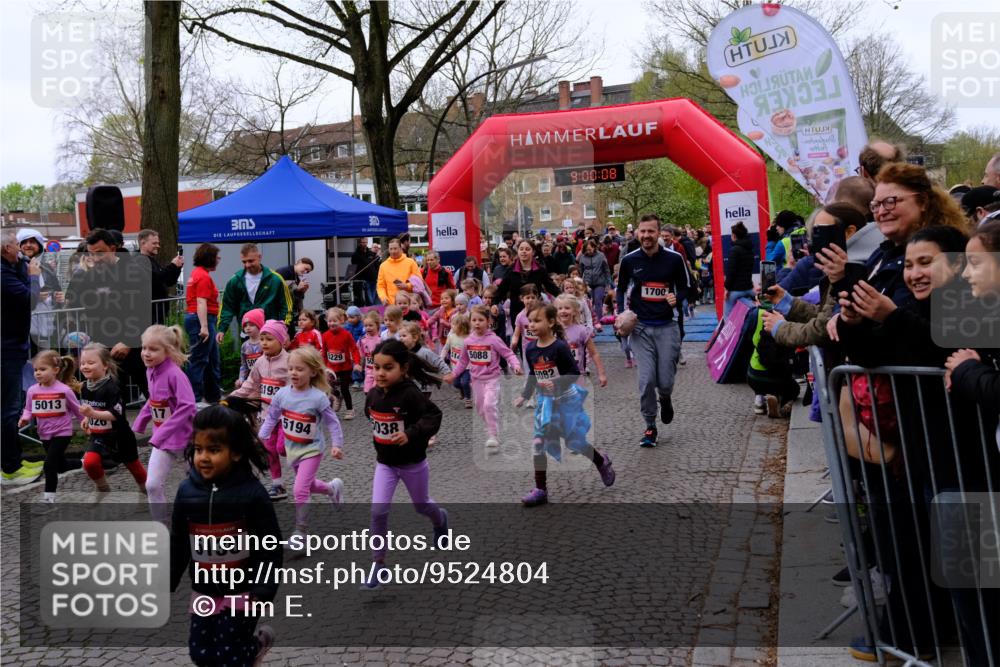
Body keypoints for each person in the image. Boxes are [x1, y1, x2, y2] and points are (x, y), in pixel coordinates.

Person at [170, 398, 280, 667]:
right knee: (201, 653)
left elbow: (270, 547)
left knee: (231, 655)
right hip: (204, 590)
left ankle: (252, 647)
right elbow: (179, 543)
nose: (203, 457)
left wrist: (262, 590)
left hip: (244, 591)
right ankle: (254, 646)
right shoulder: (187, 492)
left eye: (214, 450)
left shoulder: (252, 494)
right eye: (198, 449)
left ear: (236, 453)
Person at [361, 339, 448, 590]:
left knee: (422, 505)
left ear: (404, 368)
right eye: (376, 367)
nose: (380, 373)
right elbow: (371, 414)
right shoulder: (373, 395)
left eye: (388, 368)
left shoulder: (411, 393)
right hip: (386, 464)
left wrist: (411, 433)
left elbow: (433, 415)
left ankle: (439, 519)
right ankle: (378, 564)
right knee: (378, 512)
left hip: (412, 463)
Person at [514, 304, 615, 506]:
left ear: (551, 322)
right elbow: (534, 375)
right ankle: (540, 489)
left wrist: (557, 383)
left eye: (536, 320)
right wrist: (525, 395)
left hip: (565, 400)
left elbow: (573, 374)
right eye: (530, 321)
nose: (531, 325)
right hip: (545, 402)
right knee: (538, 443)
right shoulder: (530, 348)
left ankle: (601, 461)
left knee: (574, 443)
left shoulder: (560, 347)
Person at [616, 214, 690, 448]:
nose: (646, 236)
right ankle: (650, 426)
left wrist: (675, 298)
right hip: (641, 328)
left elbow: (688, 288)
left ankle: (665, 398)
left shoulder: (674, 259)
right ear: (637, 233)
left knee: (665, 381)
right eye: (642, 231)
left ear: (659, 234)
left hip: (667, 326)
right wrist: (621, 314)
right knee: (647, 380)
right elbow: (619, 290)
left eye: (651, 231)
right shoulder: (629, 260)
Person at [258, 347, 344, 546]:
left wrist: (337, 445)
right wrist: (261, 437)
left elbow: (332, 422)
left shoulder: (318, 397)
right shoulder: (282, 395)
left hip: (312, 450)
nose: (294, 373)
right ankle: (332, 488)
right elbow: (271, 417)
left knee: (300, 489)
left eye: (299, 369)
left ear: (313, 372)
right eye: (291, 369)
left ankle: (301, 532)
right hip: (292, 449)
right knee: (309, 485)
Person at [66, 228, 153, 400]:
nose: (96, 259)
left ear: (113, 248)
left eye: (100, 253)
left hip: (134, 346)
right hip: (103, 346)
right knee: (109, 402)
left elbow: (142, 310)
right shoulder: (89, 274)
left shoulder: (133, 271)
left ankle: (172, 426)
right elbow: (75, 300)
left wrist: (128, 341)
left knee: (155, 396)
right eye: (91, 254)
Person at [132, 325, 196, 524]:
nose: (146, 353)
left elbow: (188, 406)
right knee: (152, 485)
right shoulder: (150, 370)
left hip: (187, 440)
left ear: (168, 351)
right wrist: (139, 423)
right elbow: (154, 399)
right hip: (164, 442)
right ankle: (161, 526)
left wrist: (160, 433)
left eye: (153, 349)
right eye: (144, 348)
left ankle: (206, 520)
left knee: (200, 482)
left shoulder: (175, 374)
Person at [443, 305, 523, 451]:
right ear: (470, 322)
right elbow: (462, 362)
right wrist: (453, 374)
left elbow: (508, 354)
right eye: (474, 320)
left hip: (492, 378)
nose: (477, 323)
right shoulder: (468, 341)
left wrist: (515, 365)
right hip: (476, 380)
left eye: (481, 320)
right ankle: (491, 426)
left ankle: (493, 435)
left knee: (489, 405)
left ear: (488, 321)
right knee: (480, 408)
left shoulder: (494, 340)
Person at [231, 320, 291, 501]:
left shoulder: (289, 361)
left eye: (269, 339)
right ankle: (278, 485)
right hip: (267, 415)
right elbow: (250, 384)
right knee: (269, 449)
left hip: (286, 415)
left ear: (281, 341)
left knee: (281, 448)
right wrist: (232, 398)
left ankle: (301, 455)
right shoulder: (259, 363)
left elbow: (296, 386)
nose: (264, 343)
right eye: (262, 339)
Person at [2, 229, 43, 485]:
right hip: (6, 349)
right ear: (7, 249)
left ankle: (13, 460)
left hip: (12, 345)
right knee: (8, 410)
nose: (21, 249)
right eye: (17, 245)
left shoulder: (9, 267)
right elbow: (31, 300)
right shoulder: (2, 275)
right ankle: (10, 468)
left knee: (9, 407)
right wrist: (34, 277)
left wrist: (23, 265)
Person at [79, 343, 147, 494]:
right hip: (99, 436)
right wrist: (86, 419)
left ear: (105, 366)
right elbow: (91, 408)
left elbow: (115, 414)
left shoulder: (113, 387)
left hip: (120, 435)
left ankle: (147, 490)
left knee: (133, 466)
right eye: (82, 363)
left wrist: (92, 414)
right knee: (89, 463)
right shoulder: (85, 387)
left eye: (90, 363)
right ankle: (103, 489)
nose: (85, 367)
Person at [18, 350, 82, 505]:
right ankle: (84, 463)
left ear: (56, 370)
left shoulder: (64, 390)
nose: (38, 373)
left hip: (63, 432)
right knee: (61, 466)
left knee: (49, 464)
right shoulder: (32, 391)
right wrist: (25, 418)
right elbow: (28, 408)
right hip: (44, 433)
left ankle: (48, 498)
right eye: (35, 370)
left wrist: (85, 422)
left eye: (42, 369)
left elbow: (77, 409)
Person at [216, 243, 293, 345]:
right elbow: (227, 306)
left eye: (251, 261)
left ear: (259, 257)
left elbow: (286, 306)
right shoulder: (235, 280)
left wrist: (284, 328)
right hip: (247, 333)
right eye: (244, 262)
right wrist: (222, 329)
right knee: (249, 360)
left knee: (271, 360)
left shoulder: (275, 279)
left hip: (270, 333)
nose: (247, 265)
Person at [184, 243, 222, 405]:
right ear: (210, 258)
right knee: (199, 360)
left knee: (212, 359)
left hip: (199, 319)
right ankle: (194, 399)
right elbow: (201, 302)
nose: (219, 259)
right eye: (216, 256)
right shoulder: (204, 277)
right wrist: (204, 327)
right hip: (202, 320)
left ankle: (213, 397)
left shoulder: (197, 273)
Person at [495, 240, 560, 325]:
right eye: (521, 249)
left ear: (533, 252)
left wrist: (563, 297)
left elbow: (551, 287)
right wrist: (494, 303)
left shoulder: (540, 270)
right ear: (518, 251)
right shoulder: (511, 270)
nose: (524, 251)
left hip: (535, 310)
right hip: (517, 311)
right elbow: (502, 290)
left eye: (527, 249)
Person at [137, 229, 183, 324]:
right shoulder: (140, 261)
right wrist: (172, 266)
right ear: (143, 243)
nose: (158, 246)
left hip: (159, 312)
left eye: (158, 243)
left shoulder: (152, 261)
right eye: (154, 243)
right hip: (149, 314)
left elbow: (169, 281)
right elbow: (156, 278)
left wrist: (177, 267)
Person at [322, 307, 361, 420]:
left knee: (344, 389)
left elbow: (354, 349)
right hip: (331, 368)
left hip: (345, 368)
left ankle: (350, 410)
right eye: (330, 321)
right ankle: (336, 399)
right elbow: (324, 353)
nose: (332, 323)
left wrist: (357, 363)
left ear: (341, 321)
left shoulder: (346, 334)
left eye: (335, 321)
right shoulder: (325, 335)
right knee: (329, 388)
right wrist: (324, 367)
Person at [376, 238, 421, 305]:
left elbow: (419, 281)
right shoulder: (383, 266)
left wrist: (407, 286)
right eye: (391, 249)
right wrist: (383, 297)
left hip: (409, 304)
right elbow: (380, 286)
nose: (393, 251)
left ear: (400, 248)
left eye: (395, 248)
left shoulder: (410, 262)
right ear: (388, 250)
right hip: (391, 305)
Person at [723, 222, 755, 316]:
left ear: (734, 235)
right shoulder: (750, 250)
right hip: (748, 288)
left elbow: (731, 272)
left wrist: (727, 288)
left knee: (728, 317)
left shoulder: (734, 250)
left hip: (735, 290)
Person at [442, 313, 472, 408]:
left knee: (465, 382)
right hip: (455, 366)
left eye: (454, 324)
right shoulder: (451, 336)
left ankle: (468, 398)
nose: (451, 326)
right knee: (456, 383)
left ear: (461, 326)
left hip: (468, 366)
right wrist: (441, 357)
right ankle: (463, 391)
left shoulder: (469, 337)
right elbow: (446, 348)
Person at [576, 239, 613, 318]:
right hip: (587, 283)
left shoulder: (601, 255)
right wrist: (581, 283)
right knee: (589, 302)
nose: (588, 251)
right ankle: (591, 320)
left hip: (599, 282)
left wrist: (608, 282)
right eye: (586, 250)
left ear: (594, 247)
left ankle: (599, 320)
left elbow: (606, 269)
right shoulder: (583, 256)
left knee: (597, 300)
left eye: (590, 249)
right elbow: (581, 271)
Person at [276, 258, 314, 329]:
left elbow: (294, 296)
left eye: (307, 272)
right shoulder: (284, 271)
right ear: (299, 262)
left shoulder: (296, 277)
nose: (305, 272)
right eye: (305, 268)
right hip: (280, 312)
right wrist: (296, 288)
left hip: (287, 312)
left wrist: (302, 291)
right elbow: (277, 289)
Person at [237, 309, 264, 387]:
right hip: (250, 381)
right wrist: (241, 379)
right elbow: (244, 365)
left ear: (259, 325)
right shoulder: (244, 346)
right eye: (245, 325)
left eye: (251, 325)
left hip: (265, 380)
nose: (248, 328)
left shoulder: (264, 343)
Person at [350, 238, 380, 306]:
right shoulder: (355, 255)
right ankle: (371, 310)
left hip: (374, 279)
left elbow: (376, 265)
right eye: (362, 242)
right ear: (359, 243)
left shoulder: (371, 253)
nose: (364, 244)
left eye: (366, 242)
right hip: (365, 280)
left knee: (373, 297)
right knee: (369, 299)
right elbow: (355, 268)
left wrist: (377, 275)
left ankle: (372, 309)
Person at [358, 311, 382, 393]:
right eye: (366, 326)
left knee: (376, 391)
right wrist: (359, 364)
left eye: (371, 325)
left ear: (377, 325)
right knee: (367, 392)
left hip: (379, 370)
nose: (368, 328)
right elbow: (360, 354)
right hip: (368, 371)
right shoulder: (362, 340)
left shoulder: (381, 339)